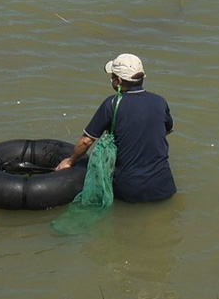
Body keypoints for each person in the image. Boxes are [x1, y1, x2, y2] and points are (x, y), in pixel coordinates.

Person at [51, 53, 176, 203]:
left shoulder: (112, 104)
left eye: (113, 76)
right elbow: (167, 129)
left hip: (129, 191)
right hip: (164, 186)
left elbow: (86, 141)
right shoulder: (160, 102)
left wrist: (70, 161)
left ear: (119, 81)